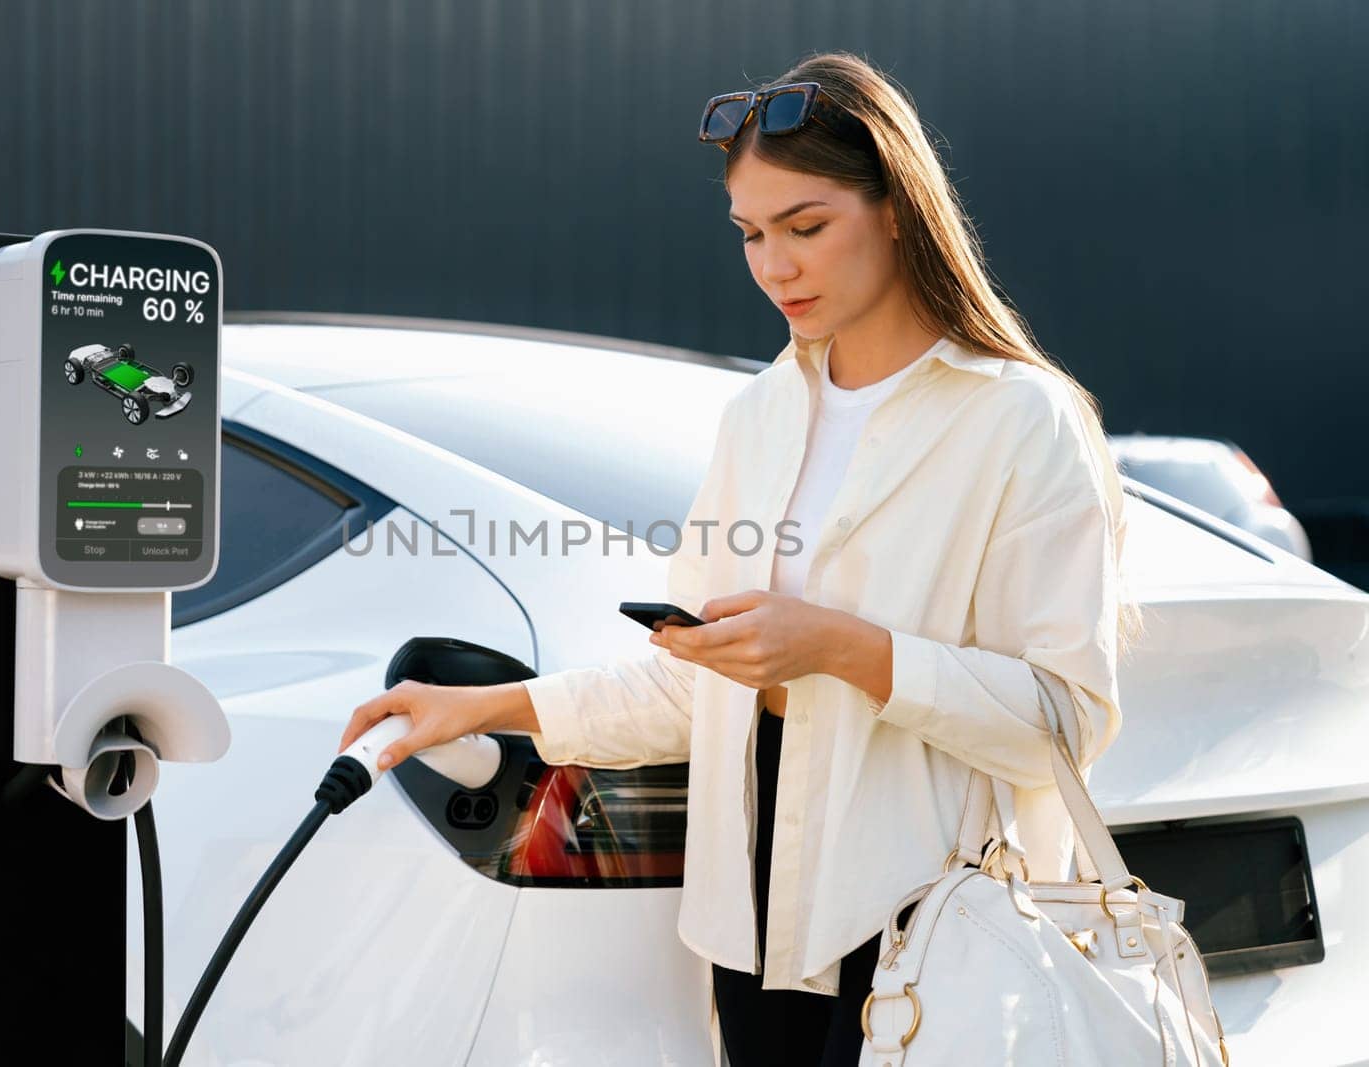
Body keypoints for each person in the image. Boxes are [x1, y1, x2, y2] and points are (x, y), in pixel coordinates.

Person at [338, 50, 1141, 1067]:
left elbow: (1064, 724)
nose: (775, 266)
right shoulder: (757, 416)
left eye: (806, 226)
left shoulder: (1020, 419)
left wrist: (845, 647)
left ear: (895, 207)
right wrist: (487, 708)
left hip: (935, 928)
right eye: (751, 234)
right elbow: (692, 685)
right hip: (753, 927)